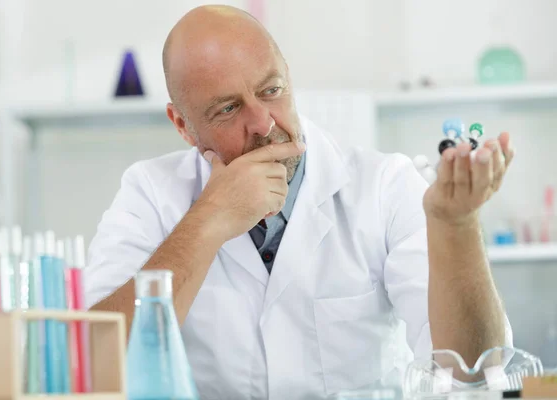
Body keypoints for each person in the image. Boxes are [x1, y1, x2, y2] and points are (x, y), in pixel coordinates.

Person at [85, 5, 514, 399]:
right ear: (182, 125)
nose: (264, 122)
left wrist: (457, 227)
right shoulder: (149, 192)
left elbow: (476, 375)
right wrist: (209, 219)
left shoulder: (384, 186)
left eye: (271, 90)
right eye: (228, 109)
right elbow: (95, 365)